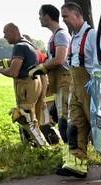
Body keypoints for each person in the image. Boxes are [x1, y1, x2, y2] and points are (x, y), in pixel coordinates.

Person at [58, 2, 97, 178]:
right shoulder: (74, 37)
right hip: (75, 86)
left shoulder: (92, 36)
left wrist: (96, 83)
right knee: (75, 124)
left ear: (77, 15)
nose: (63, 20)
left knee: (96, 125)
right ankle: (78, 163)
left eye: (65, 16)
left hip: (89, 86)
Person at [0, 23, 49, 146]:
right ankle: (35, 145)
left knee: (26, 118)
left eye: (5, 33)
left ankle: (44, 147)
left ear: (14, 32)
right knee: (30, 118)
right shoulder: (30, 45)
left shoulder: (19, 47)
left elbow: (14, 71)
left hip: (25, 86)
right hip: (35, 84)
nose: (4, 37)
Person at [38, 4, 71, 144]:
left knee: (65, 121)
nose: (39, 18)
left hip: (65, 82)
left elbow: (60, 59)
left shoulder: (61, 35)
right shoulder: (54, 36)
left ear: (47, 16)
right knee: (51, 118)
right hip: (58, 83)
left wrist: (42, 67)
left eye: (40, 15)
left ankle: (74, 156)